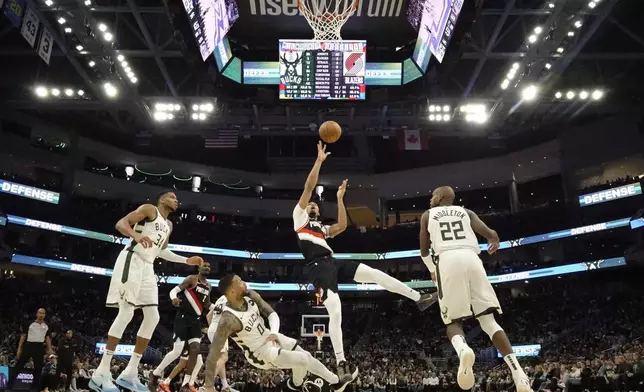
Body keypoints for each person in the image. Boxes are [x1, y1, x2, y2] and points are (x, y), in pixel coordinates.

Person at [294, 141, 435, 377]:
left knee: (376, 274)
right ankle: (340, 363)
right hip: (317, 267)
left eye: (316, 205)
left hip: (332, 262)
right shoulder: (299, 219)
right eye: (311, 204)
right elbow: (309, 187)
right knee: (335, 310)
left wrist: (340, 198)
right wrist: (318, 161)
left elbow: (342, 226)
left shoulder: (321, 228)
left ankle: (418, 297)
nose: (313, 205)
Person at [418, 186, 531, 392]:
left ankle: (463, 351)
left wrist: (432, 269)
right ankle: (519, 374)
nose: (431, 199)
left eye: (433, 195)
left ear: (441, 196)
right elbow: (491, 233)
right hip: (472, 259)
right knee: (488, 321)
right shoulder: (466, 212)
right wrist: (494, 241)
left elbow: (424, 249)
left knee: (453, 321)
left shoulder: (428, 215)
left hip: (447, 261)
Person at [90, 191, 204, 392]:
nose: (176, 200)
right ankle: (101, 372)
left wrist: (186, 260)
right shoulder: (150, 209)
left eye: (177, 199)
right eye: (172, 197)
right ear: (161, 199)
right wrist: (135, 234)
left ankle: (130, 372)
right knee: (126, 313)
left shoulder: (168, 225)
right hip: (132, 259)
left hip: (148, 266)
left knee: (153, 317)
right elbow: (120, 223)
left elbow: (161, 251)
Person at [201, 274, 354, 392]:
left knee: (302, 351)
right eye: (240, 282)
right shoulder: (228, 320)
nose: (244, 283)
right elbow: (213, 356)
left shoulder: (250, 295)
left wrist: (273, 333)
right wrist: (208, 386)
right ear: (232, 290)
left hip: (268, 335)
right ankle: (327, 383)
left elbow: (271, 313)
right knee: (303, 359)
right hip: (260, 353)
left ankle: (311, 384)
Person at [151, 262, 213, 392]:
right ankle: (156, 373)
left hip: (196, 321)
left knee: (196, 350)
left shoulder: (209, 286)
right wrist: (174, 298)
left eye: (209, 266)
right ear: (199, 267)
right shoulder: (192, 279)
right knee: (177, 352)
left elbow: (207, 304)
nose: (207, 267)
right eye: (205, 265)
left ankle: (186, 384)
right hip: (183, 318)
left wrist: (218, 308)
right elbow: (174, 290)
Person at [8, 308, 53, 391]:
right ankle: (9, 387)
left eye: (43, 313)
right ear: (36, 314)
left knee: (38, 369)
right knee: (18, 366)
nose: (41, 315)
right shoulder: (29, 323)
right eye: (40, 313)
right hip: (28, 346)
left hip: (39, 347)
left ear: (45, 315)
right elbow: (23, 336)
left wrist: (49, 349)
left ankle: (34, 388)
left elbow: (47, 338)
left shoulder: (47, 325)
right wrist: (19, 349)